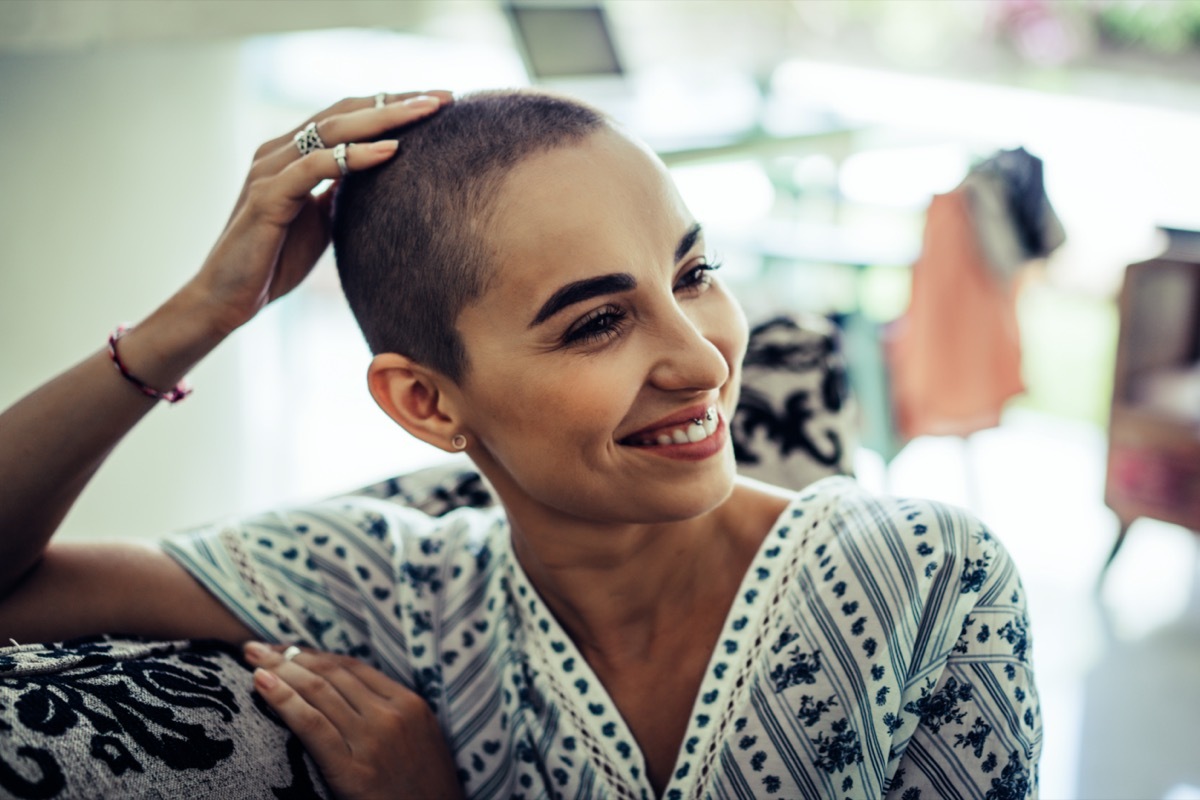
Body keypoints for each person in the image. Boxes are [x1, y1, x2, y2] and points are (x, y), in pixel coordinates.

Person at [0, 88, 1041, 800]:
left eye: (694, 272)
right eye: (596, 321)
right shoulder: (387, 585)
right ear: (426, 403)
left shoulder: (930, 575)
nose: (703, 359)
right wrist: (198, 314)